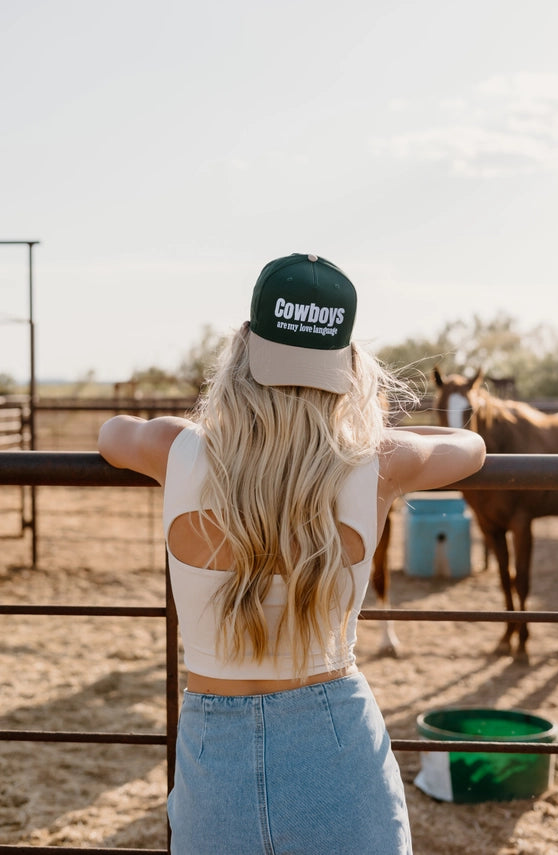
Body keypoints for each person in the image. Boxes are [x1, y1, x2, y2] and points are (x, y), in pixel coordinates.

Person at [98, 253, 486, 855]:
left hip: (211, 755)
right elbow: (471, 446)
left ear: (243, 353)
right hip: (340, 743)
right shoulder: (377, 463)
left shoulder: (174, 448)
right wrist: (381, 438)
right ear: (350, 368)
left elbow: (111, 434)